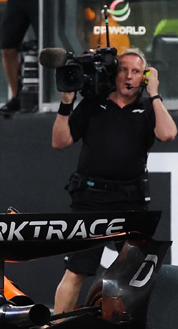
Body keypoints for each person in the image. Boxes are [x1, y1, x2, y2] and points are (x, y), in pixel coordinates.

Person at [51, 48, 177, 315]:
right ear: (115, 73)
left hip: (130, 202)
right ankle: (57, 324)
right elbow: (59, 142)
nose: (128, 76)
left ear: (144, 77)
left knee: (139, 276)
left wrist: (154, 93)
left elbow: (168, 134)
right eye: (123, 70)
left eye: (136, 72)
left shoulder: (148, 108)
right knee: (75, 272)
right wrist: (65, 103)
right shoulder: (93, 104)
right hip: (90, 200)